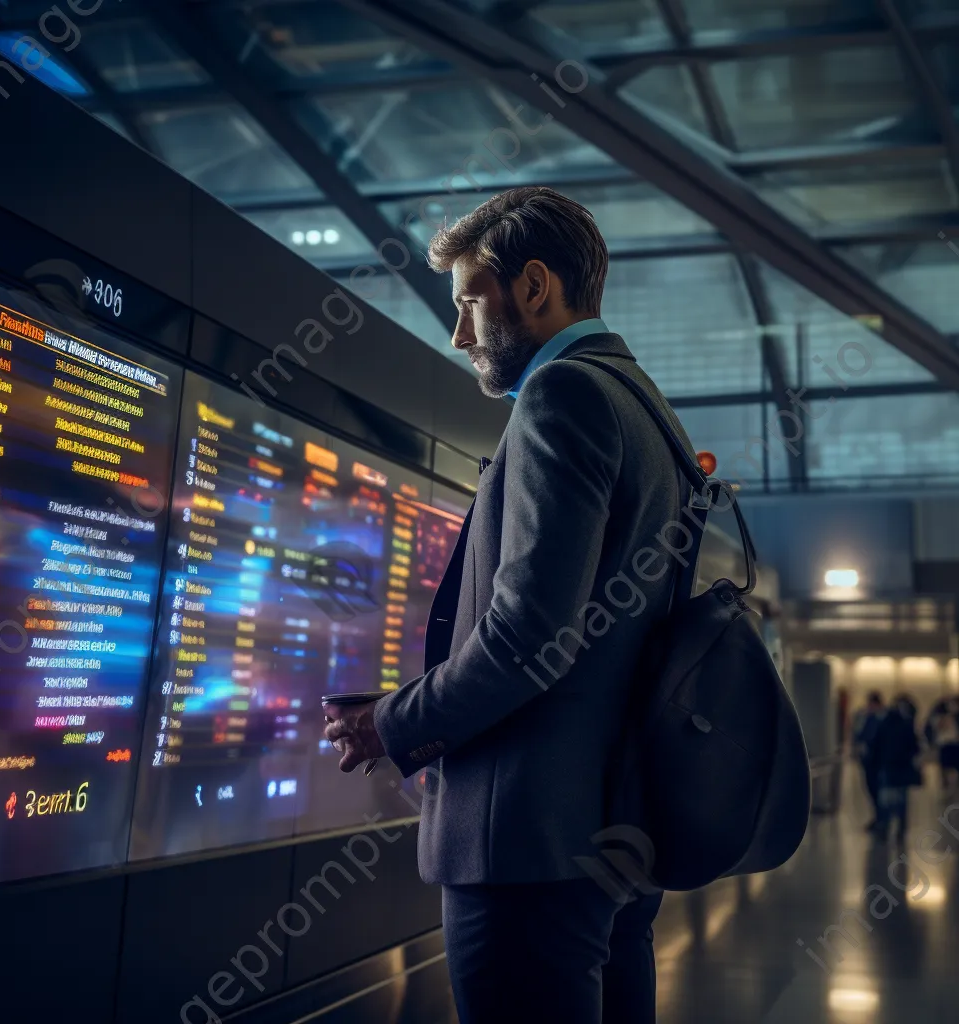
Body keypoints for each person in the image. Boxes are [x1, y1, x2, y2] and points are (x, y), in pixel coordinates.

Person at [324, 187, 700, 1023]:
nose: (459, 334)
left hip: (530, 843)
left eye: (469, 302)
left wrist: (391, 720)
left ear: (534, 288)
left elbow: (530, 634)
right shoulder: (647, 409)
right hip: (616, 832)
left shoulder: (562, 395)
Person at [869, 693, 921, 843]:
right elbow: (914, 747)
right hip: (903, 769)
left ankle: (884, 828)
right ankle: (901, 830)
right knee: (902, 801)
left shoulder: (883, 724)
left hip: (887, 768)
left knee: (885, 800)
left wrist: (874, 764)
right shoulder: (907, 725)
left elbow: (875, 746)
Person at [852, 691, 885, 829]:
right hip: (868, 761)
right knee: (872, 790)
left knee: (878, 791)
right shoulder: (868, 718)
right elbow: (860, 734)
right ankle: (878, 818)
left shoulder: (881, 719)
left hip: (877, 761)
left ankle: (882, 819)